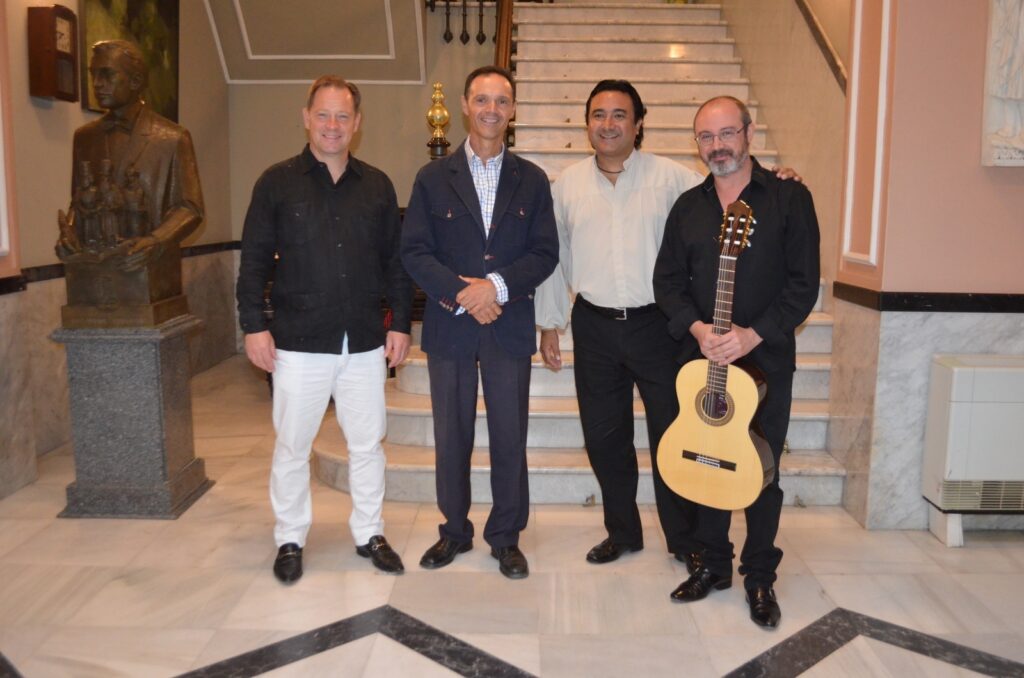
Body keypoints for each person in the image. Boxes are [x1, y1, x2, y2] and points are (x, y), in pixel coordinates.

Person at [534, 80, 800, 572]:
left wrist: (776, 179)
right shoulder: (566, 185)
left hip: (662, 328)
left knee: (673, 436)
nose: (608, 124)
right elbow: (556, 258)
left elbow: (732, 192)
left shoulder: (674, 179)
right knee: (604, 436)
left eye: (620, 115)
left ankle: (686, 539)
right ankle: (622, 532)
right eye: (598, 114)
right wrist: (550, 323)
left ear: (638, 124)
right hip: (592, 325)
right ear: (586, 123)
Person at [236, 76, 413, 583]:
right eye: (323, 115)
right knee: (293, 446)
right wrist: (254, 326)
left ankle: (369, 532)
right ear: (306, 116)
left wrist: (399, 323)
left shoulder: (377, 185)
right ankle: (290, 538)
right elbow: (252, 263)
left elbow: (395, 263)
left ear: (357, 123)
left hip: (362, 343)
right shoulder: (276, 182)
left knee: (367, 444)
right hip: (298, 341)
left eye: (343, 116)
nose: (332, 126)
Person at [653, 96, 820, 628]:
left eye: (727, 133)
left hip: (767, 363)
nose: (717, 145)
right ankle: (712, 564)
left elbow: (802, 287)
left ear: (748, 134)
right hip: (702, 361)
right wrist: (700, 330)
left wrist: (753, 335)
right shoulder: (688, 207)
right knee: (706, 461)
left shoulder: (789, 199)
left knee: (761, 472)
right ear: (695, 143)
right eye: (706, 136)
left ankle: (760, 574)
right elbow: (667, 283)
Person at [401, 66, 559, 579]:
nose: (492, 108)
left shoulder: (532, 181)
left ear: (512, 112)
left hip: (508, 328)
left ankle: (506, 537)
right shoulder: (431, 178)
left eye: (503, 100)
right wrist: (465, 295)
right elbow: (416, 253)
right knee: (452, 436)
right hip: (451, 330)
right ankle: (454, 531)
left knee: (510, 436)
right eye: (482, 99)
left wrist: (496, 288)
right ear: (467, 106)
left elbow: (545, 252)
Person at [57, 39, 203, 269]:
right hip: (94, 273)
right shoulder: (84, 137)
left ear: (135, 81)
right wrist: (70, 232)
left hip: (151, 275)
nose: (97, 84)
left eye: (107, 75)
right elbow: (78, 200)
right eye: (94, 74)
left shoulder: (172, 137)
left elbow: (190, 208)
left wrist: (155, 240)